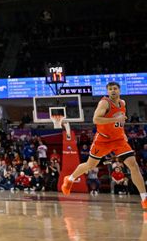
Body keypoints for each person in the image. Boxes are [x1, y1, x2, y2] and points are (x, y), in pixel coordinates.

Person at [61, 81, 147, 209]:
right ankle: (70, 179)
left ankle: (144, 198)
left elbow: (120, 122)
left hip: (118, 140)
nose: (113, 91)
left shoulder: (122, 103)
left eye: (115, 88)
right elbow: (96, 119)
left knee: (133, 165)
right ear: (107, 91)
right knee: (90, 165)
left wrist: (122, 133)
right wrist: (115, 120)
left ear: (119, 90)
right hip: (103, 140)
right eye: (110, 89)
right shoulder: (104, 102)